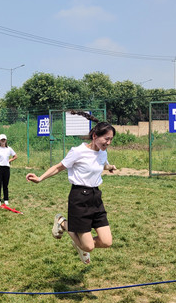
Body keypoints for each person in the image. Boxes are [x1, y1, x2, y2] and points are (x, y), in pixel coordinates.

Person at [26, 112, 117, 264]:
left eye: (111, 140)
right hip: (79, 198)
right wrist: (40, 178)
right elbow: (59, 167)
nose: (108, 143)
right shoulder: (78, 151)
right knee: (88, 246)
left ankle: (81, 245)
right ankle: (62, 222)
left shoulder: (102, 152)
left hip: (96, 197)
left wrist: (109, 167)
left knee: (107, 242)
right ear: (95, 136)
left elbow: (101, 163)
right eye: (106, 139)